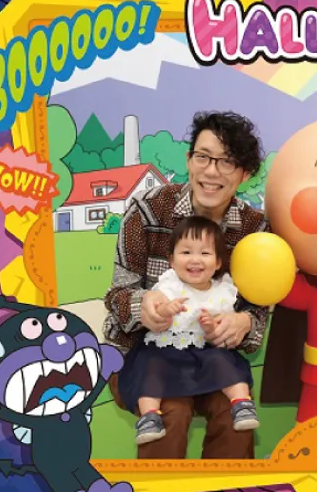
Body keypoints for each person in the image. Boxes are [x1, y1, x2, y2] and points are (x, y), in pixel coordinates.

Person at [104, 111, 270, 459]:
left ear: (245, 174)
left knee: (235, 412)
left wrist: (244, 322)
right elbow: (118, 293)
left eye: (227, 162)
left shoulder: (255, 230)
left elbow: (257, 304)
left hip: (212, 360)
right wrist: (141, 306)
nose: (211, 171)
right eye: (203, 157)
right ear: (189, 159)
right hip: (145, 357)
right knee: (171, 411)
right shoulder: (149, 209)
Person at [116, 216, 259, 446]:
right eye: (186, 252)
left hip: (204, 350)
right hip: (166, 348)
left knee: (225, 363)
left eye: (205, 253)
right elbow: (156, 308)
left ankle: (241, 403)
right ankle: (149, 416)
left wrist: (210, 325)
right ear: (172, 261)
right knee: (150, 369)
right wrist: (167, 309)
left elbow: (220, 326)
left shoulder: (222, 290)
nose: (195, 260)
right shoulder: (170, 284)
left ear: (218, 262)